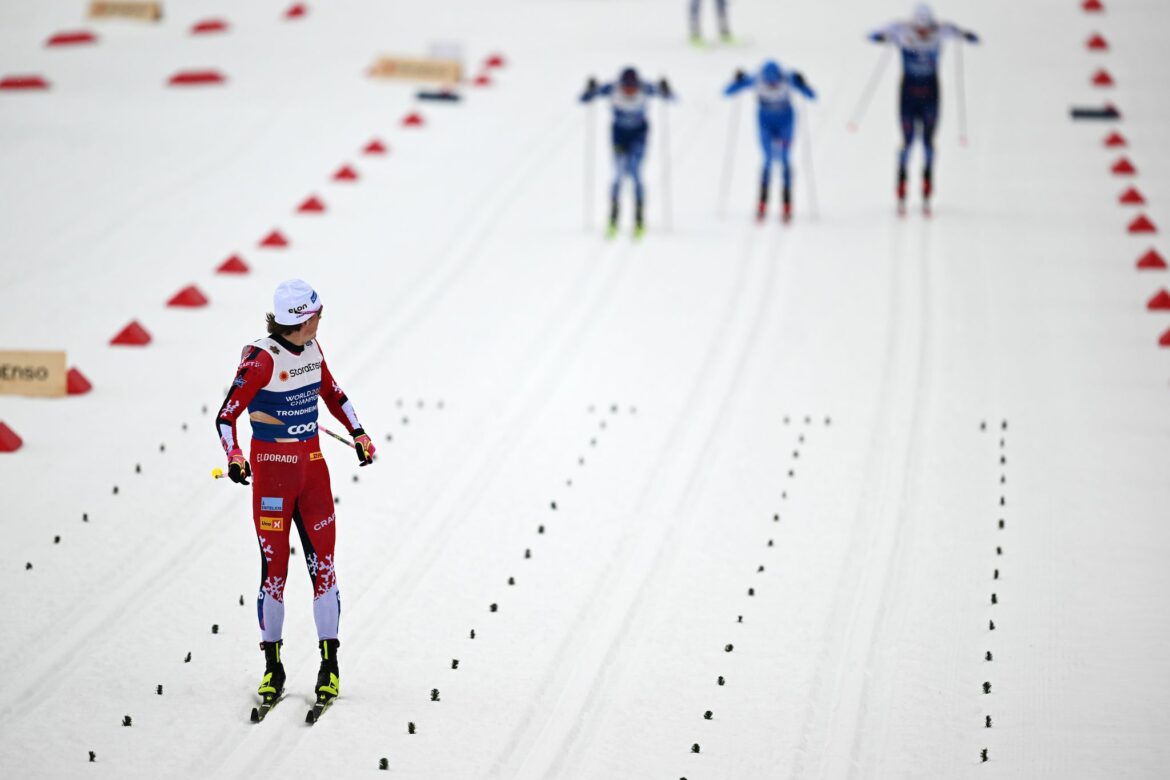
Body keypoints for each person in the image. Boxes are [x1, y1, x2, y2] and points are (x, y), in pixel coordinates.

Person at [215, 279, 375, 716]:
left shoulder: (313, 350)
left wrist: (358, 432)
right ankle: (273, 667)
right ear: (300, 319)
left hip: (313, 473)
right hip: (271, 478)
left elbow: (333, 393)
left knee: (324, 567)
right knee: (276, 574)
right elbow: (226, 416)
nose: (321, 321)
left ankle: (329, 665)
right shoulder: (261, 361)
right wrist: (234, 457)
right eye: (316, 315)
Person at [869, 3, 978, 215]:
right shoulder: (901, 30)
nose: (923, 33)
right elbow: (871, 35)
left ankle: (927, 183)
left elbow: (962, 34)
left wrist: (967, 36)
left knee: (928, 143)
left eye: (926, 29)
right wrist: (883, 37)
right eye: (919, 29)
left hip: (931, 95)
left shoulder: (941, 31)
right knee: (907, 142)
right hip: (908, 95)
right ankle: (901, 183)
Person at [580, 66, 674, 239]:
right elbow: (585, 98)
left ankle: (639, 219)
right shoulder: (613, 88)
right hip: (619, 136)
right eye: (626, 87)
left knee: (636, 174)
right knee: (618, 174)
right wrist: (590, 89)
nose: (629, 90)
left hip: (639, 136)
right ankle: (613, 218)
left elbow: (671, 98)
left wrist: (665, 89)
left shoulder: (645, 88)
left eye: (632, 87)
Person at [724, 60, 816, 223]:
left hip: (786, 121)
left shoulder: (788, 78)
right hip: (765, 122)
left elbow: (812, 96)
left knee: (785, 158)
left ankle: (787, 201)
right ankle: (762, 201)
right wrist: (737, 81)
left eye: (775, 83)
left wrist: (803, 83)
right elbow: (727, 92)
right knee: (767, 159)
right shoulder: (756, 78)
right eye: (769, 83)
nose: (772, 86)